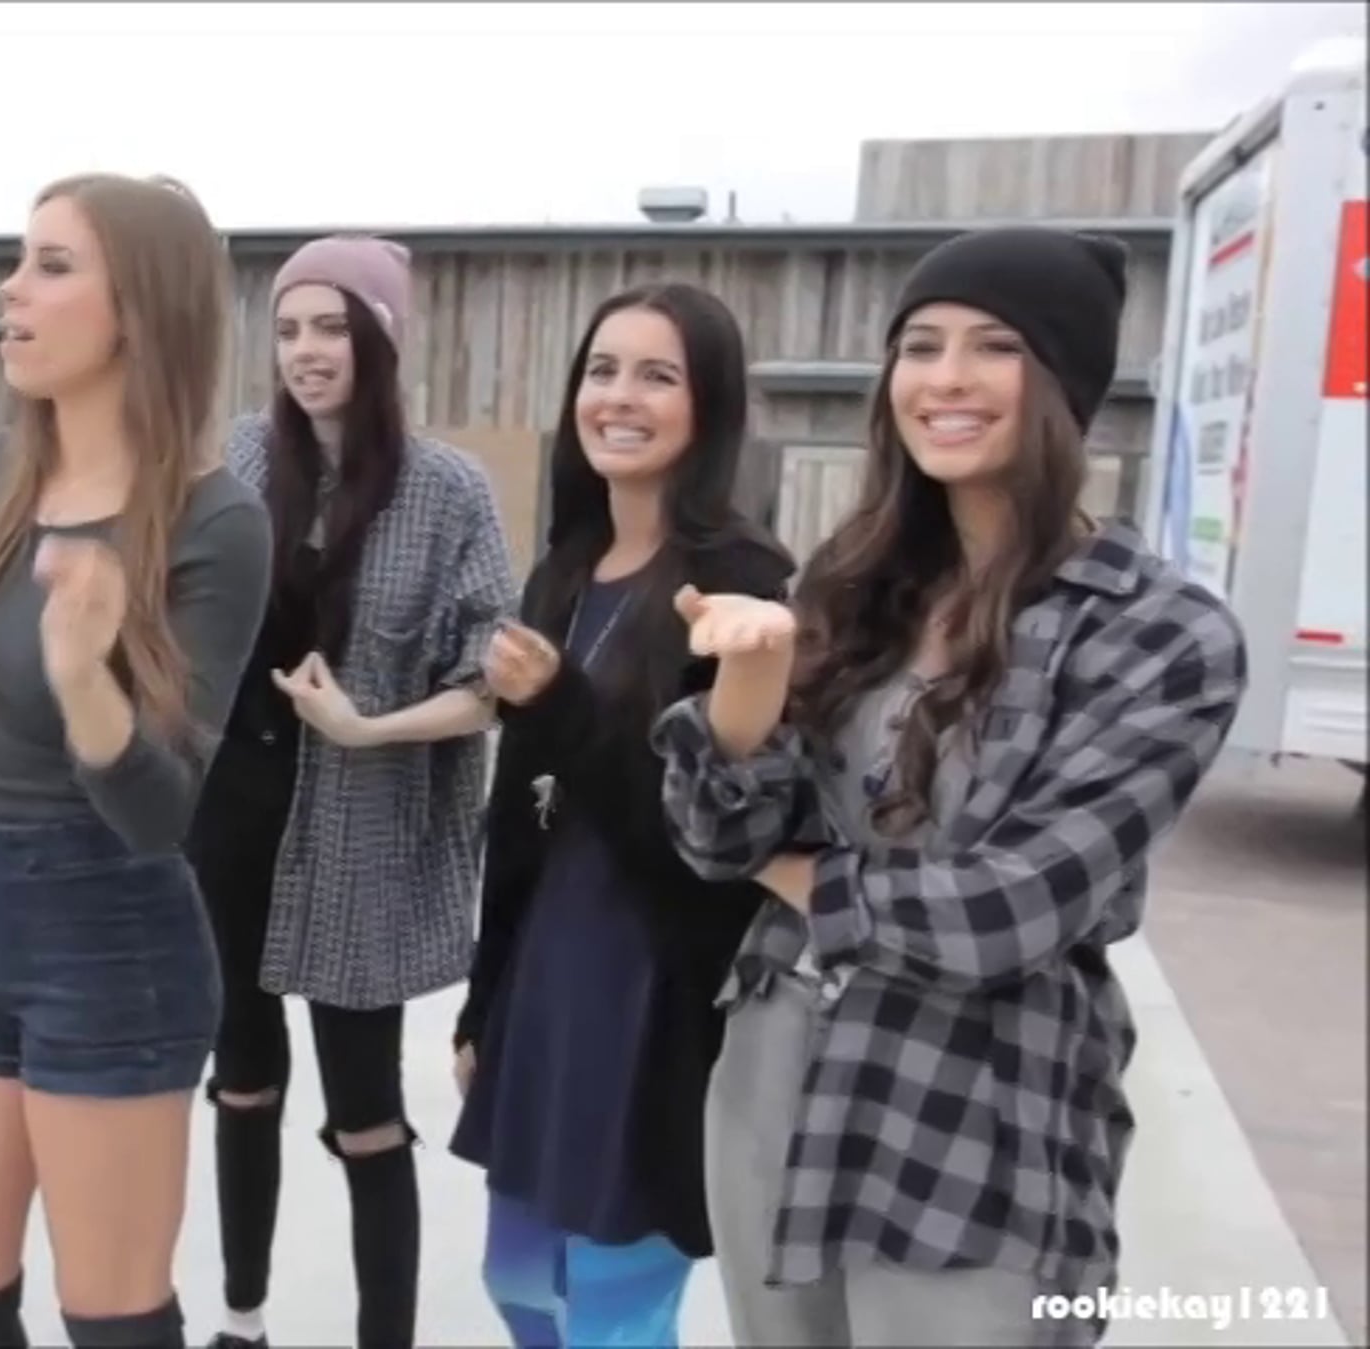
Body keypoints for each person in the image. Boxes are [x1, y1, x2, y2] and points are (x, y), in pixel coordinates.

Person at [651, 227, 1249, 1347]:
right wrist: (750, 680)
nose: (947, 378)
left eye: (995, 346)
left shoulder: (1160, 630)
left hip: (975, 1100)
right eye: (920, 346)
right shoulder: (846, 582)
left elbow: (1007, 910)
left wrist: (784, 866)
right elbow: (707, 826)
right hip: (775, 1065)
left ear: (1064, 384)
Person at [0, 172, 273, 1349]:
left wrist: (87, 677)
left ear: (138, 306)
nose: (11, 293)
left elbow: (160, 811)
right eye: (19, 262)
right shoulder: (5, 474)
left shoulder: (215, 522)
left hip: (114, 951)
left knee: (113, 1321)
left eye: (52, 265)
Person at [449, 282, 793, 1348]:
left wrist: (562, 705)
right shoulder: (562, 572)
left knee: (615, 1310)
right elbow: (518, 817)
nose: (619, 397)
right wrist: (485, 999)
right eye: (602, 370)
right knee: (520, 1286)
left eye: (657, 375)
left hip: (653, 994)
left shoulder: (741, 584)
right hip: (547, 975)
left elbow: (709, 842)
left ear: (709, 405)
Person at [186, 234, 514, 1349]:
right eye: (288, 329)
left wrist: (369, 726)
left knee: (367, 1111)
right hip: (231, 818)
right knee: (242, 1079)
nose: (307, 350)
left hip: (362, 827)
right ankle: (242, 1320)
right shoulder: (237, 456)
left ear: (382, 338)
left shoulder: (448, 488)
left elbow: (489, 680)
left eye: (332, 326)